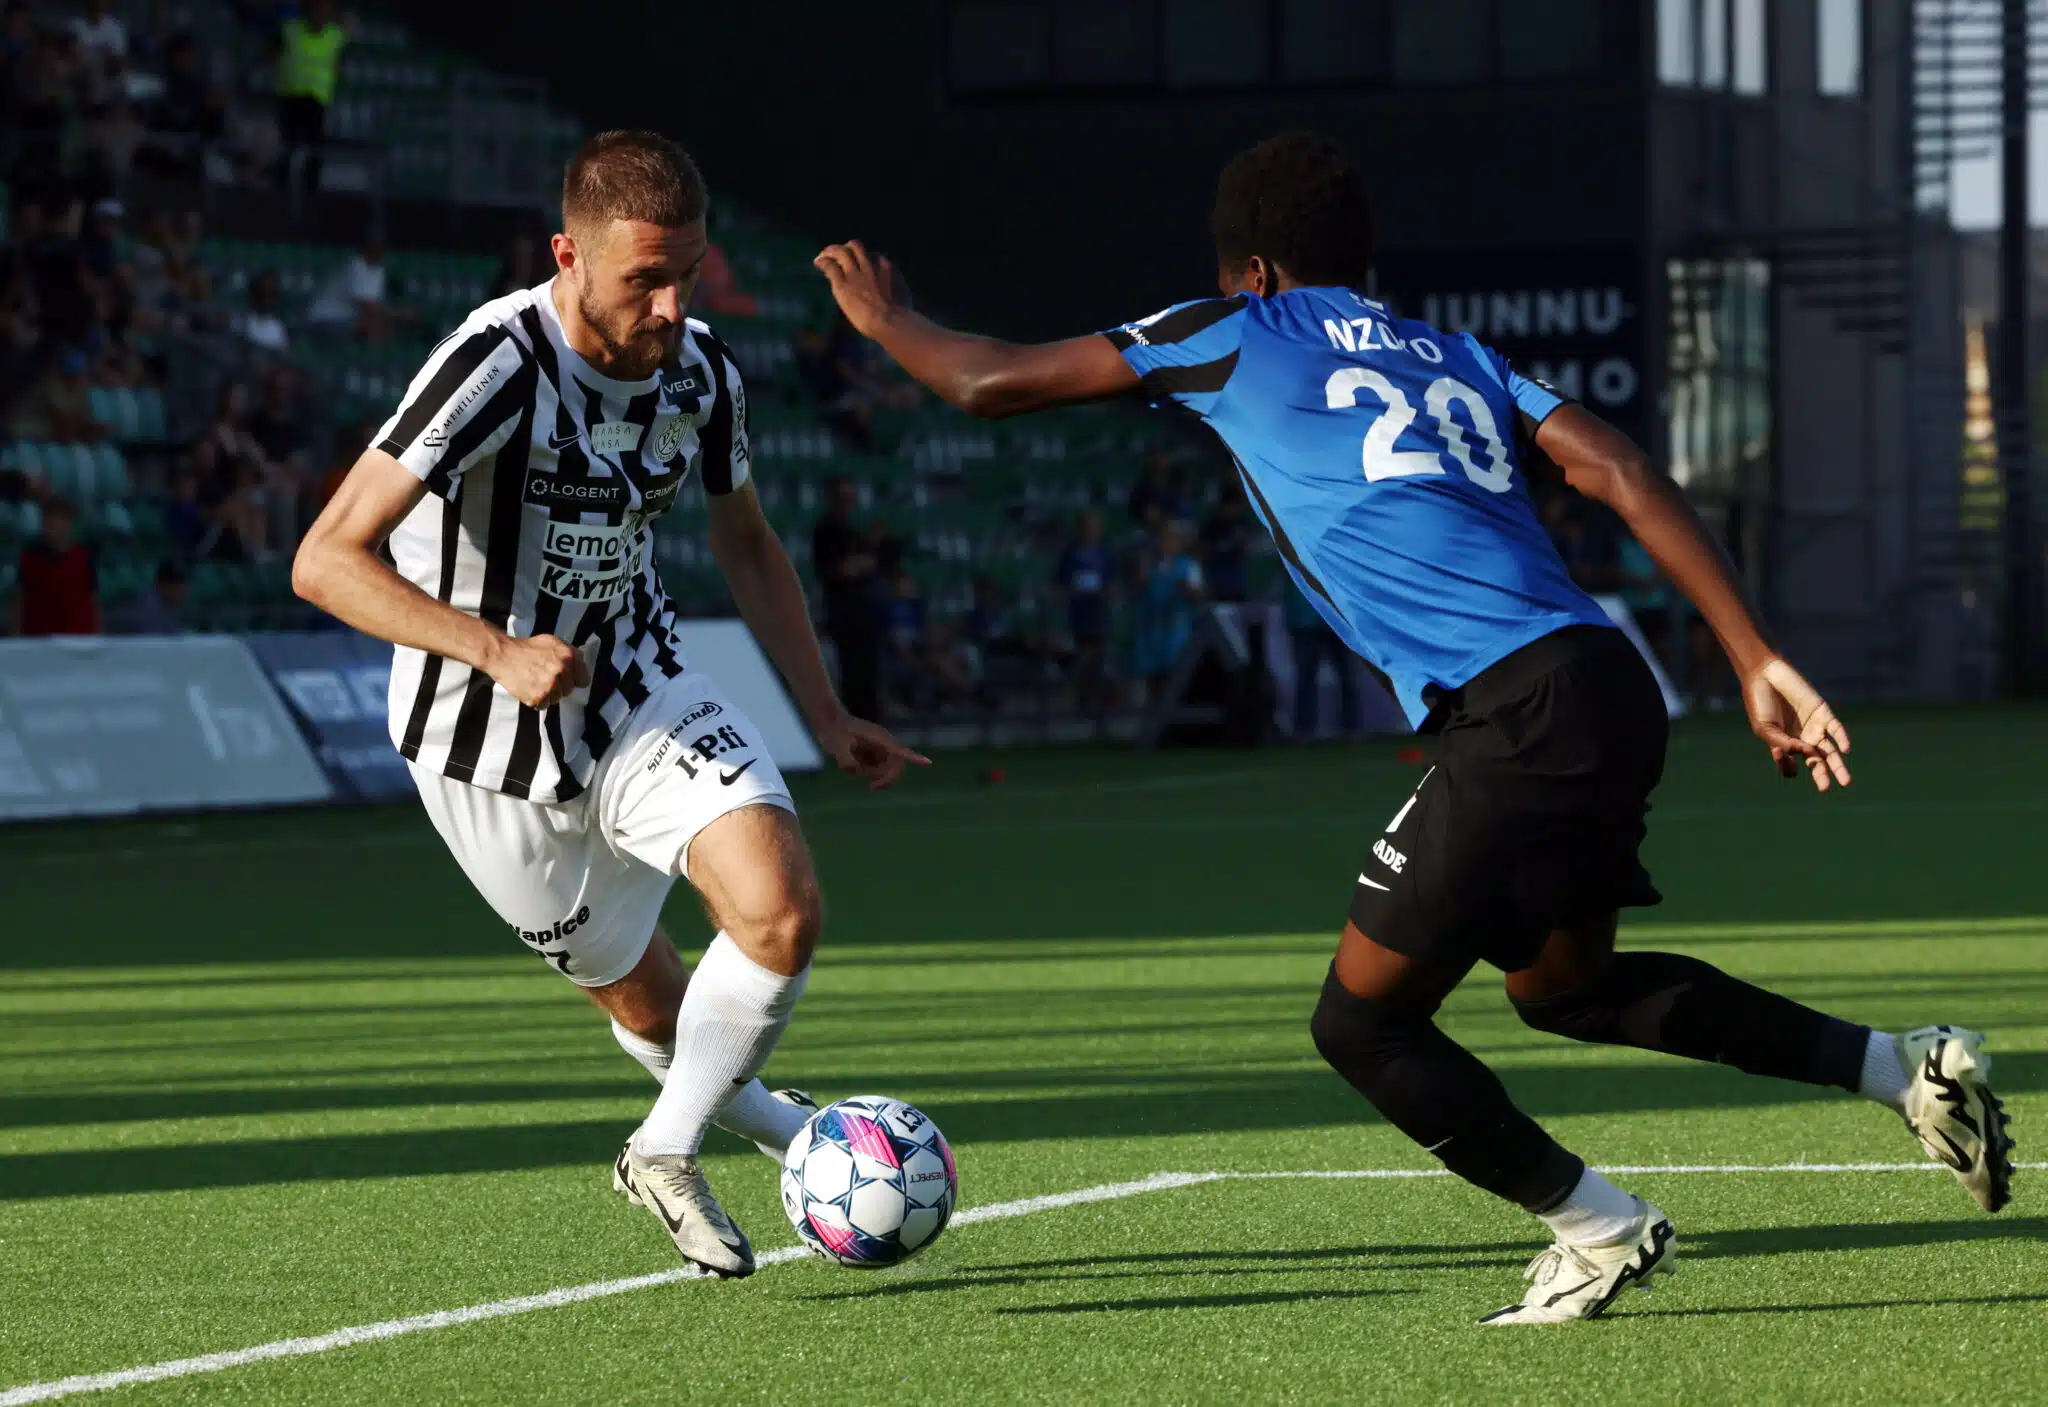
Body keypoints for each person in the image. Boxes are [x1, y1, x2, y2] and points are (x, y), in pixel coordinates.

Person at [812, 130, 2013, 1322]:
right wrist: (1753, 657)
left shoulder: (1231, 328)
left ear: (1252, 273)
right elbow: (1618, 468)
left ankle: (1595, 1225)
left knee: (1363, 1024)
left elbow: (985, 382)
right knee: (1564, 991)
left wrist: (886, 321)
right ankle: (1897, 1067)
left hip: (1513, 708)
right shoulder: (1459, 355)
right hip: (1604, 680)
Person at [293, 130, 925, 1280]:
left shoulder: (701, 370)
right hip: (478, 749)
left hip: (638, 685)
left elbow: (746, 541)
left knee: (778, 913)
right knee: (651, 1009)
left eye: (689, 272)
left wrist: (825, 712)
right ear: (568, 257)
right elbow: (325, 560)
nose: (672, 304)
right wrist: (493, 649)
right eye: (645, 278)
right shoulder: (492, 365)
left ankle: (661, 1153)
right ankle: (785, 1132)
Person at [810, 474, 882, 722]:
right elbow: (839, 570)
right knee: (853, 675)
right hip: (845, 613)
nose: (848, 503)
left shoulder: (851, 532)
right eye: (843, 498)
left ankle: (871, 725)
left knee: (868, 676)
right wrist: (863, 562)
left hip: (864, 613)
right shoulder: (826, 531)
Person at [275, 0, 348, 193]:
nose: (320, 14)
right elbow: (272, 55)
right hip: (291, 96)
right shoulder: (289, 31)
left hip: (318, 99)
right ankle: (280, 187)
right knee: (288, 144)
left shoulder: (336, 37)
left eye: (325, 9)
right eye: (316, 8)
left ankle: (311, 189)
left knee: (315, 147)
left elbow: (340, 66)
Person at [12, 498, 99, 636]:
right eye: (53, 525)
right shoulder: (30, 559)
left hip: (79, 637)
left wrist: (97, 634)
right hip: (38, 638)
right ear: (44, 527)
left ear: (70, 526)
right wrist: (16, 636)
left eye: (63, 524)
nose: (59, 530)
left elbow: (93, 599)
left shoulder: (83, 557)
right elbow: (19, 600)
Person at [1055, 507, 1112, 711]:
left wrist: (1106, 592)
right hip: (1078, 612)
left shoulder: (1106, 554)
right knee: (1083, 651)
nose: (1091, 531)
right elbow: (1059, 583)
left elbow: (1112, 583)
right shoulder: (1069, 554)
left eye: (1095, 527)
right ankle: (1082, 699)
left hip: (1099, 611)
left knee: (1095, 656)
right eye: (1088, 527)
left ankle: (1093, 701)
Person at [306, 238, 394, 343]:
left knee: (381, 326)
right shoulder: (354, 265)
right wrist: (401, 314)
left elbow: (374, 307)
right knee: (373, 326)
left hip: (348, 320)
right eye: (376, 246)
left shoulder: (379, 270)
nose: (381, 251)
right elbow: (366, 306)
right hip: (325, 319)